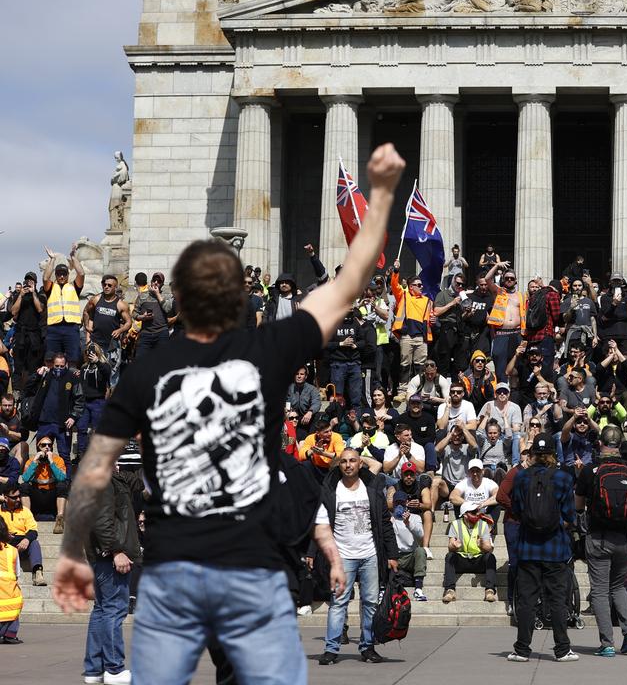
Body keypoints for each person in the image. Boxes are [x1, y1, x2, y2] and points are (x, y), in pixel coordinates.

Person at [50, 143, 404, 684]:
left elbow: (95, 468)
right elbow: (349, 283)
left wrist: (74, 550)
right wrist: (379, 195)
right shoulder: (268, 352)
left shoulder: (148, 370)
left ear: (181, 303)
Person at [316, 448, 398, 665]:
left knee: (370, 602)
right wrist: (311, 552)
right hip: (343, 555)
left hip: (370, 553)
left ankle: (367, 647)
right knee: (338, 602)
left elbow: (384, 522)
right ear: (338, 465)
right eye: (343, 461)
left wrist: (392, 554)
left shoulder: (371, 487)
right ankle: (331, 648)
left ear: (360, 463)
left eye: (353, 461)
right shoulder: (330, 489)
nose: (348, 465)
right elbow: (320, 522)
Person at [575, 426, 627, 657]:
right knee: (618, 586)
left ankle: (607, 643)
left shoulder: (590, 470)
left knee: (599, 591)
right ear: (620, 444)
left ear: (600, 443)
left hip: (599, 538)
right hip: (624, 538)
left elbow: (577, 506)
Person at [507, 432, 578, 663]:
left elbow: (516, 510)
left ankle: (522, 650)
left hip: (528, 547)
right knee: (557, 599)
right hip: (555, 548)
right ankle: (562, 649)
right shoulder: (563, 478)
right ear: (552, 455)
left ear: (534, 455)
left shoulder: (521, 477)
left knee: (527, 600)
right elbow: (569, 513)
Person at [83, 467, 141, 685]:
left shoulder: (108, 476)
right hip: (111, 556)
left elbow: (138, 484)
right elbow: (102, 520)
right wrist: (116, 551)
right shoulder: (104, 480)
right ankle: (114, 668)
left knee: (102, 610)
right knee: (113, 610)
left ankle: (94, 669)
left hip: (104, 556)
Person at [390, 263, 433, 397]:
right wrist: (396, 270)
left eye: (421, 285)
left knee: (420, 366)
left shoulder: (427, 300)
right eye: (418, 285)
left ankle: (418, 390)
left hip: (421, 337)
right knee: (405, 364)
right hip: (407, 335)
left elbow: (430, 317)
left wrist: (434, 321)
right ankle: (403, 390)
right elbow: (394, 285)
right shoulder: (403, 296)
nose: (421, 287)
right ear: (411, 287)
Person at [442, 501, 497, 603]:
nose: (477, 514)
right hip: (462, 559)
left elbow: (489, 548)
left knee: (490, 557)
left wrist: (482, 545)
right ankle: (450, 590)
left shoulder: (483, 524)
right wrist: (454, 546)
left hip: (478, 560)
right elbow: (450, 546)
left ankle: (490, 591)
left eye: (477, 511)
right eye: (473, 512)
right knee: (449, 556)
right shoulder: (455, 524)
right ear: (465, 515)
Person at [42, 246, 86, 365]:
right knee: (51, 359)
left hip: (71, 328)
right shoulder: (51, 288)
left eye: (64, 274)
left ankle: (72, 382)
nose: (61, 276)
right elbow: (45, 277)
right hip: (54, 328)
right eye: (59, 274)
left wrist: (73, 257)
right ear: (55, 275)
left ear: (67, 275)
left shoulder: (73, 287)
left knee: (73, 359)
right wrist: (52, 259)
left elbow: (81, 273)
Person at [1, 486, 46, 587]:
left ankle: (37, 573)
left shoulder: (25, 511)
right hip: (5, 543)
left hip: (22, 544)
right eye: (14, 497)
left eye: (19, 496)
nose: (18, 499)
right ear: (5, 497)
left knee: (34, 543)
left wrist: (26, 539)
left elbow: (33, 530)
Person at [390, 490, 428, 601]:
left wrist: (408, 523)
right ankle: (383, 588)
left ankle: (418, 589)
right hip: (395, 556)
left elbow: (421, 535)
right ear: (393, 504)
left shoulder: (415, 518)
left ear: (406, 503)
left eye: (402, 503)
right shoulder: (389, 519)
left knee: (421, 551)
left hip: (410, 555)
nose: (399, 506)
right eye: (397, 503)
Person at [132, 271, 175, 354]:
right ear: (151, 281)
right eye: (154, 280)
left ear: (162, 284)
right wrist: (142, 317)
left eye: (159, 281)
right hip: (145, 333)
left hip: (161, 333)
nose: (156, 283)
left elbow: (167, 309)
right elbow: (134, 313)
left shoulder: (166, 297)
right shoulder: (142, 295)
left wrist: (157, 294)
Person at [0, 517, 23, 644]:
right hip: (10, 602)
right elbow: (17, 574)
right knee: (17, 596)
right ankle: (10, 634)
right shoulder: (13, 551)